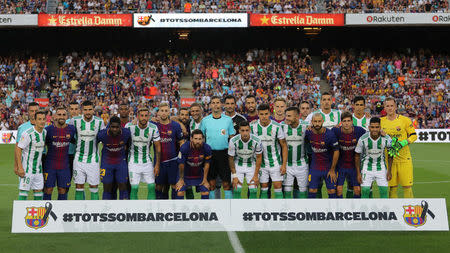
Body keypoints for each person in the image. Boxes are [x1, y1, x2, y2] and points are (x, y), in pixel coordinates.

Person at [200, 96, 235, 199]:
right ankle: (213, 208)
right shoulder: (205, 120)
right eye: (213, 102)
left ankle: (229, 207)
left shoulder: (228, 120)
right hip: (210, 154)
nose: (215, 104)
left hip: (224, 154)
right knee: (211, 184)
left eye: (218, 102)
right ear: (210, 105)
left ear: (221, 105)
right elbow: (201, 138)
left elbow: (232, 137)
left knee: (226, 184)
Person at [381, 98, 417, 198]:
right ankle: (394, 211)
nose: (389, 108)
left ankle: (410, 212)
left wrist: (403, 143)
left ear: (396, 107)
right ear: (384, 108)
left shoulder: (405, 120)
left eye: (391, 106)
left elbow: (414, 136)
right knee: (392, 187)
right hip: (389, 160)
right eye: (387, 106)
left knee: (407, 186)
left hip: (404, 159)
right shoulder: (381, 121)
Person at [250, 104, 287, 199]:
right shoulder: (252, 126)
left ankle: (281, 210)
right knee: (264, 188)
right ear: (258, 114)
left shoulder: (277, 126)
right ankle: (264, 210)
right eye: (261, 114)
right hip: (260, 164)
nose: (264, 116)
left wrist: (283, 165)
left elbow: (284, 145)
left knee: (278, 186)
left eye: (266, 114)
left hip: (275, 162)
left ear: (270, 114)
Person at [70, 101, 106, 200]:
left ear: (93, 110)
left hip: (93, 159)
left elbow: (103, 139)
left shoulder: (99, 122)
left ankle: (95, 212)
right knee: (79, 187)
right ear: (82, 110)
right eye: (85, 110)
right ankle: (80, 211)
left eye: (90, 109)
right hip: (78, 159)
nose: (88, 112)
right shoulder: (75, 121)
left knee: (94, 187)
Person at [127, 108, 161, 200]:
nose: (144, 118)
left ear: (149, 117)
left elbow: (158, 147)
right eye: (141, 116)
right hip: (133, 162)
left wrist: (157, 165)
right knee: (134, 187)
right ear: (137, 116)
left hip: (147, 162)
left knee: (151, 187)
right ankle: (134, 212)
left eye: (146, 116)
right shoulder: (130, 127)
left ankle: (151, 210)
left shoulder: (153, 128)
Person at [43, 107, 76, 200]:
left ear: (67, 117)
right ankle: (46, 212)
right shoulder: (48, 130)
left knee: (62, 190)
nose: (61, 117)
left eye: (64, 115)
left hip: (64, 166)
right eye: (59, 114)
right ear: (55, 116)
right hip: (50, 165)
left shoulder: (72, 129)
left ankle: (61, 212)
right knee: (48, 189)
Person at [355, 117, 393, 198]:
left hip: (381, 167)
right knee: (365, 191)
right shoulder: (363, 139)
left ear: (380, 127)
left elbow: (390, 155)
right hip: (366, 167)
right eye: (372, 127)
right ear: (369, 127)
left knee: (384, 191)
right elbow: (357, 155)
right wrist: (358, 173)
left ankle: (384, 210)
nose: (374, 129)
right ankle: (364, 210)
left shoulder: (386, 138)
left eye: (377, 127)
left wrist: (389, 171)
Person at [305, 113, 339, 198]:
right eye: (315, 121)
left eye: (319, 121)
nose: (317, 124)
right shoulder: (308, 132)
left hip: (328, 167)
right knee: (312, 190)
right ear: (311, 122)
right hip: (315, 167)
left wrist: (332, 169)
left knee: (331, 190)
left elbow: (336, 151)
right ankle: (312, 210)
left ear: (323, 121)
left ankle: (332, 210)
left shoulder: (330, 135)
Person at [154, 103, 184, 199]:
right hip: (159, 162)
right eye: (162, 111)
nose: (163, 113)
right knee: (159, 185)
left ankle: (173, 208)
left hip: (173, 161)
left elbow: (181, 142)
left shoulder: (175, 126)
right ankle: (159, 208)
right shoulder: (154, 126)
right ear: (158, 112)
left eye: (166, 111)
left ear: (169, 112)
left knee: (174, 185)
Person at [332, 112, 366, 198]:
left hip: (354, 166)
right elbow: (324, 133)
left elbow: (371, 135)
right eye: (344, 121)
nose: (346, 123)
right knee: (339, 189)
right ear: (341, 122)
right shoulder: (335, 131)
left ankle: (355, 210)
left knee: (358, 190)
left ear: (352, 122)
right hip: (341, 165)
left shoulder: (359, 131)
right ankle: (340, 209)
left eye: (348, 121)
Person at [96, 116, 131, 200]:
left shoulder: (126, 133)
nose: (115, 129)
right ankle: (106, 209)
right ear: (109, 126)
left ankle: (124, 209)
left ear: (120, 127)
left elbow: (129, 145)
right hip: (106, 163)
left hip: (121, 163)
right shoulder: (102, 134)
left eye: (117, 127)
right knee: (107, 187)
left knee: (123, 186)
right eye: (113, 127)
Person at [15, 111, 47, 200]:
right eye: (39, 119)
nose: (42, 121)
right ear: (35, 121)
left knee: (39, 192)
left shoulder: (44, 132)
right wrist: (20, 167)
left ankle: (38, 214)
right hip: (27, 170)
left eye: (44, 119)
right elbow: (18, 148)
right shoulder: (28, 134)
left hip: (38, 170)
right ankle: (20, 213)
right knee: (24, 192)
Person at [228, 121, 263, 199]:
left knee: (254, 190)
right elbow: (231, 158)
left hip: (251, 164)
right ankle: (237, 210)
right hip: (238, 164)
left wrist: (256, 175)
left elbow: (259, 157)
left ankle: (251, 210)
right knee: (237, 189)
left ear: (250, 130)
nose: (245, 133)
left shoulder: (257, 140)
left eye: (247, 130)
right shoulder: (233, 141)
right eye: (242, 130)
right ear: (239, 131)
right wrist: (234, 175)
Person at [175, 129, 212, 199]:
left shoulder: (207, 148)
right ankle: (180, 210)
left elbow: (207, 164)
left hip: (198, 173)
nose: (198, 141)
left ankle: (204, 209)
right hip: (185, 174)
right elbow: (181, 165)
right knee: (180, 192)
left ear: (203, 139)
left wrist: (205, 179)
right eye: (195, 139)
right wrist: (181, 179)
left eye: (200, 139)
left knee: (206, 191)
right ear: (191, 139)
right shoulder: (184, 148)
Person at [282, 107, 308, 198]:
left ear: (297, 117)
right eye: (286, 116)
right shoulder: (281, 126)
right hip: (287, 165)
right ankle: (288, 211)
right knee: (287, 191)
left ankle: (302, 210)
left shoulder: (306, 126)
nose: (286, 118)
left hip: (302, 164)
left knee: (303, 190)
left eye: (289, 116)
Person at [14, 102, 39, 177]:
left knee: (41, 188)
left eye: (36, 111)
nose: (34, 113)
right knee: (24, 188)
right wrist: (16, 165)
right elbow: (17, 148)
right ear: (28, 112)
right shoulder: (22, 128)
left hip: (41, 163)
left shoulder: (45, 127)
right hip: (26, 164)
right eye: (32, 111)